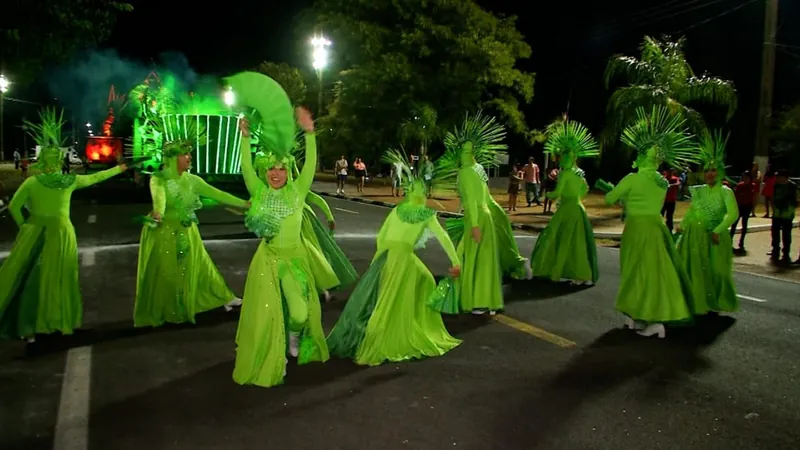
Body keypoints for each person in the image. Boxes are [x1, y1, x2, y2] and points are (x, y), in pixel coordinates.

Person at [226, 71, 329, 387]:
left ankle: (294, 337)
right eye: (270, 169)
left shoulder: (298, 192)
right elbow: (245, 167)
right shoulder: (258, 191)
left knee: (299, 313)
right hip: (269, 262)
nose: (274, 174)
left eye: (279, 169)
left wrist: (309, 133)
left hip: (295, 260)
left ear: (287, 170)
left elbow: (310, 165)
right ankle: (275, 354)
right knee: (269, 315)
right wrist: (244, 138)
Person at [0, 108, 129, 342]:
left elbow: (13, 208)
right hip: (61, 233)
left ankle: (32, 326)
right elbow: (95, 178)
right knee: (60, 278)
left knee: (34, 279)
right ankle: (58, 321)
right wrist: (119, 169)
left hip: (35, 232)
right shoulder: (69, 181)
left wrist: (26, 226)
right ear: (60, 161)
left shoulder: (32, 181)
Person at [327, 149, 461, 365]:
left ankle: (399, 324)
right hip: (401, 258)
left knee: (400, 290)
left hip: (386, 256)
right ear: (424, 193)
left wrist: (376, 262)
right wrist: (456, 262)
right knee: (411, 289)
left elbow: (382, 237)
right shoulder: (426, 213)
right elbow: (443, 238)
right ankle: (398, 330)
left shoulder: (397, 210)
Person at [133, 119, 249, 328]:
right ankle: (172, 308)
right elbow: (159, 198)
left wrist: (244, 203)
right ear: (172, 158)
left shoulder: (192, 180)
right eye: (184, 154)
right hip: (165, 234)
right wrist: (158, 212)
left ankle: (223, 297)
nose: (189, 157)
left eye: (189, 153)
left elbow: (219, 194)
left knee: (202, 267)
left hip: (188, 231)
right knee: (169, 275)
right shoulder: (158, 179)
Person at [598, 105, 696, 339]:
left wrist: (616, 192)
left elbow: (611, 198)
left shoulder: (633, 178)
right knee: (653, 273)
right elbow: (647, 202)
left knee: (635, 272)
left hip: (637, 229)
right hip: (656, 227)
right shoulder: (663, 182)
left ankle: (649, 319)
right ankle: (638, 316)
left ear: (641, 156)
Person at [676, 130, 739, 316]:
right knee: (696, 271)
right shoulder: (699, 191)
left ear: (720, 172)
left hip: (716, 237)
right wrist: (683, 225)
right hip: (696, 236)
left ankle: (718, 301)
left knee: (717, 272)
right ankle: (697, 302)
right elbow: (692, 211)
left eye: (713, 170)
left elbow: (732, 214)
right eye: (706, 170)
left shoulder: (726, 192)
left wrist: (718, 230)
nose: (709, 174)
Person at [530, 119, 600, 286]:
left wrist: (546, 195)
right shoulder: (579, 173)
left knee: (554, 238)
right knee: (577, 243)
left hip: (568, 209)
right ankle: (580, 273)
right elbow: (586, 189)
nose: (562, 159)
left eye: (564, 156)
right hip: (578, 209)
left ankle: (551, 269)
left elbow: (558, 193)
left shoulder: (566, 173)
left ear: (571, 157)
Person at [770, 169, 797, 264]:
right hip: (777, 213)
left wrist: (788, 209)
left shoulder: (792, 186)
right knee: (775, 232)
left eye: (778, 177)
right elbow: (773, 197)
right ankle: (775, 249)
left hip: (787, 213)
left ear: (784, 177)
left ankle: (786, 253)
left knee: (786, 234)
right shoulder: (776, 185)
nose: (777, 178)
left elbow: (794, 200)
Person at [730, 170, 755, 251]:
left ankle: (741, 242)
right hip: (739, 206)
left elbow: (753, 197)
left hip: (747, 207)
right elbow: (736, 196)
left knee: (744, 224)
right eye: (744, 177)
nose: (745, 179)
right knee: (734, 225)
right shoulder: (740, 185)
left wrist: (752, 207)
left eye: (746, 177)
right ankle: (729, 241)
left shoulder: (752, 186)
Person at [661, 168, 680, 232]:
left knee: (669, 217)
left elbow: (678, 184)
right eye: (669, 171)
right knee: (660, 215)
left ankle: (670, 229)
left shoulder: (674, 179)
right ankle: (660, 229)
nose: (670, 172)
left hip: (671, 201)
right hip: (663, 201)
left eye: (671, 171)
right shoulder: (663, 179)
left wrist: (670, 185)